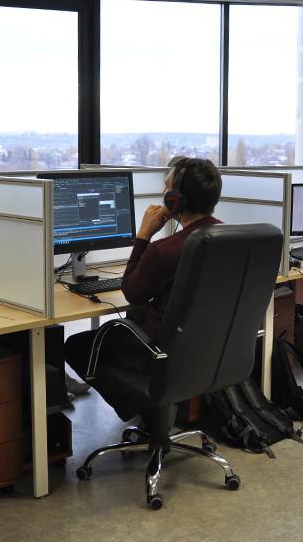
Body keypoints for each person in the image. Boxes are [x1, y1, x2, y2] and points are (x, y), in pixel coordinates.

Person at [63, 157, 223, 420]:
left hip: (159, 353)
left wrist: (143, 236)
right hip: (206, 350)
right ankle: (150, 415)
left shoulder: (165, 251)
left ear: (175, 200)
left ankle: (143, 412)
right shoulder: (227, 239)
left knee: (75, 346)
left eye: (167, 188)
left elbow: (132, 292)